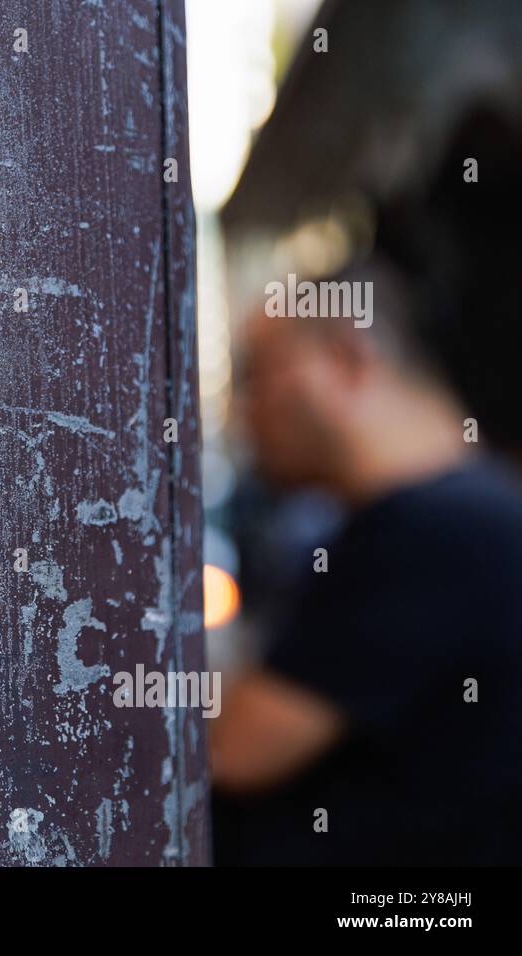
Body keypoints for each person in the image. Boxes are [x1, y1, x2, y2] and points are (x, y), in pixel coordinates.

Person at [211, 256, 522, 864]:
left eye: (258, 376)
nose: (246, 412)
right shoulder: (466, 505)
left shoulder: (431, 528)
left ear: (348, 361)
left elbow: (233, 754)